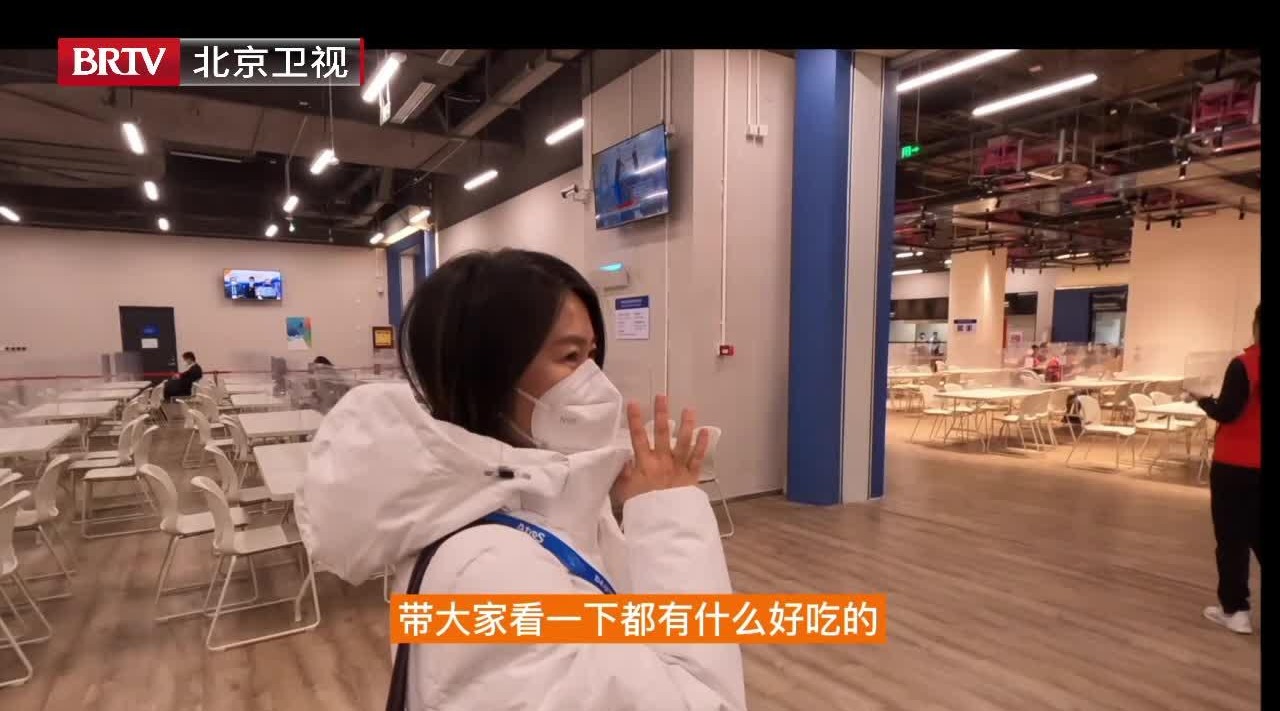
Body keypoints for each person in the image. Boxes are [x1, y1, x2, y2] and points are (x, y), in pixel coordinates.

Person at [296, 249, 745, 710]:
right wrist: (668, 519)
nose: (594, 380)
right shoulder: (490, 573)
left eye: (592, 355)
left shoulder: (510, 513)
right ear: (490, 373)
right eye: (570, 356)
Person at [1192, 304, 1261, 635]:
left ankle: (1235, 610)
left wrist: (1204, 400)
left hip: (1236, 465)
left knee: (1232, 538)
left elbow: (1228, 412)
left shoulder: (1244, 364)